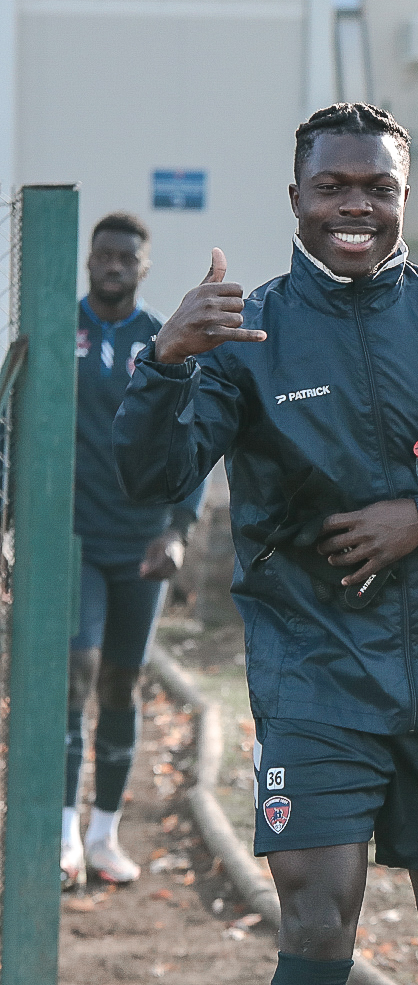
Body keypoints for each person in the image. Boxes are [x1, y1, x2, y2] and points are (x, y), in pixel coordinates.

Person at [113, 103, 418, 985]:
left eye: (378, 188)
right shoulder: (246, 337)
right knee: (314, 918)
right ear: (295, 196)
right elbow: (152, 478)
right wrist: (167, 361)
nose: (355, 206)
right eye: (331, 187)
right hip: (316, 676)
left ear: (405, 195)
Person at [60, 212, 206, 888]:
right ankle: (60, 830)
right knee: (76, 671)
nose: (113, 264)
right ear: (89, 260)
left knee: (122, 680)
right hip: (74, 536)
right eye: (103, 254)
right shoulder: (62, 329)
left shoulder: (162, 341)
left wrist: (177, 530)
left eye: (127, 257)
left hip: (142, 541)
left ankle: (102, 834)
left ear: (144, 268)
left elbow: (192, 442)